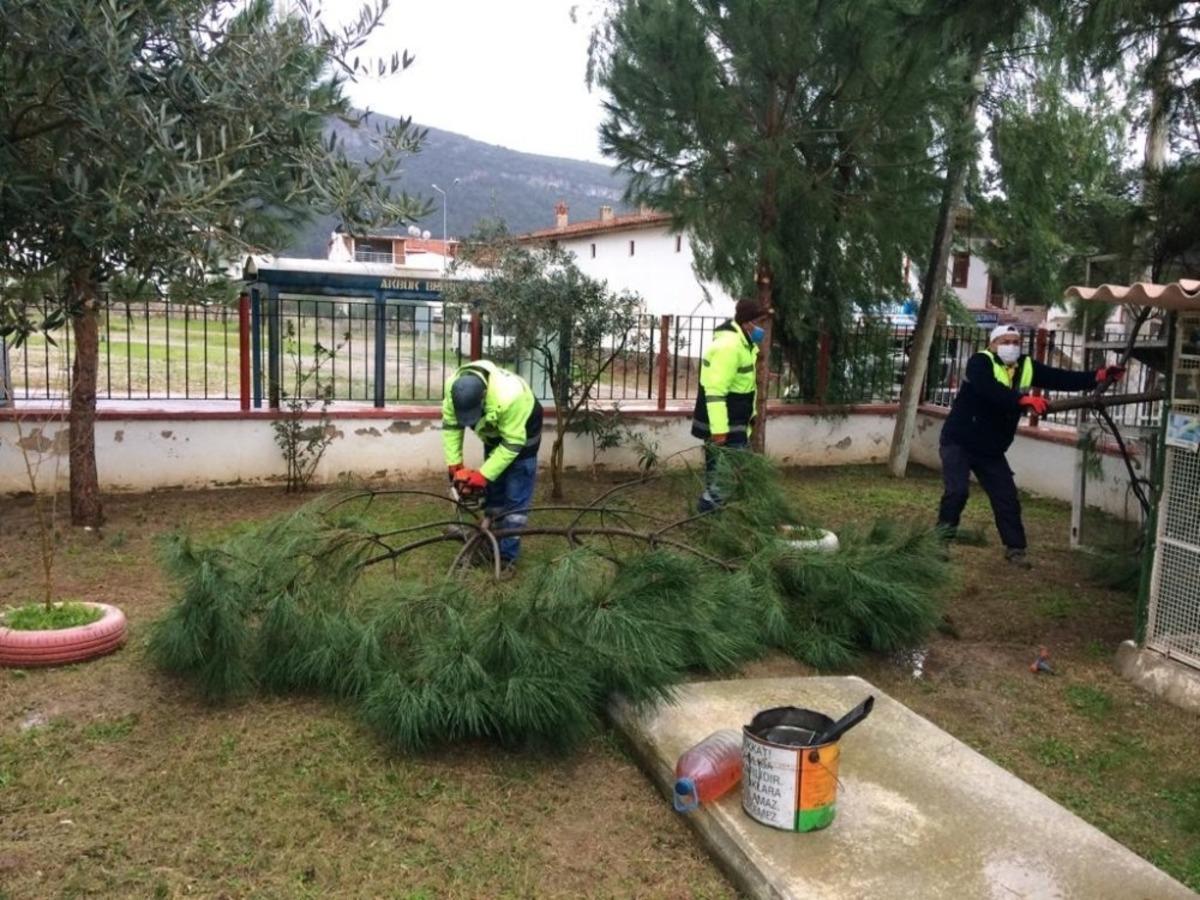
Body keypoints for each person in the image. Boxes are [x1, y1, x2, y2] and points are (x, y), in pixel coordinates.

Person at [937, 323, 1125, 568]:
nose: (1012, 346)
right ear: (992, 344)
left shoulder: (1025, 366)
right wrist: (1021, 399)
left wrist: (1097, 376)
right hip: (959, 440)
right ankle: (939, 543)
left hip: (990, 448)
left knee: (1006, 497)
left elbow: (1060, 378)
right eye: (1005, 341)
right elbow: (988, 389)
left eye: (1015, 342)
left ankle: (1015, 549)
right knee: (957, 492)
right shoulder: (980, 362)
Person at [443, 360, 544, 570]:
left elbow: (513, 443)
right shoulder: (453, 388)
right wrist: (455, 464)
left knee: (515, 502)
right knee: (494, 496)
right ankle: (491, 544)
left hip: (522, 436)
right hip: (495, 436)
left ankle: (507, 557)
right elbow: (452, 425)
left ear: (484, 396)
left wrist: (483, 475)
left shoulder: (510, 396)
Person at [690, 298, 771, 512]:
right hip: (725, 425)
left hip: (734, 422)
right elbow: (716, 392)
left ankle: (713, 515)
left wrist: (750, 416)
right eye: (760, 323)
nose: (762, 329)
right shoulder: (730, 347)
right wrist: (719, 432)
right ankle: (707, 513)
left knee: (719, 472)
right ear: (747, 323)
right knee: (725, 476)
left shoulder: (743, 344)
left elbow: (743, 386)